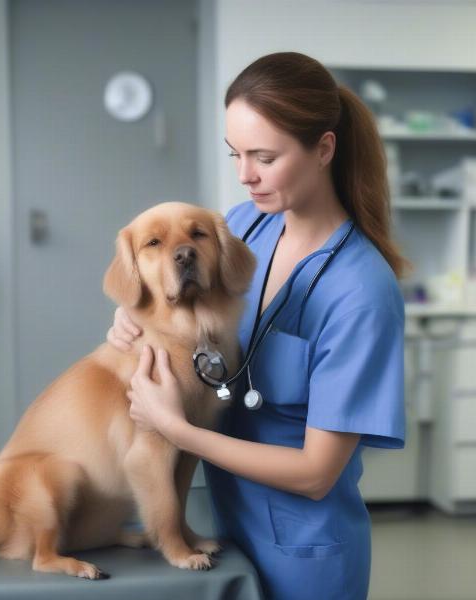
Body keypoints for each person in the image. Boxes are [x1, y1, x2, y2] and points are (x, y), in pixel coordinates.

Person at [107, 51, 411, 600]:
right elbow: (176, 302)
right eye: (236, 154)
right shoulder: (245, 223)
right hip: (226, 525)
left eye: (265, 157)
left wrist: (177, 430)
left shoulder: (361, 292)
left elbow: (318, 473)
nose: (246, 175)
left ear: (323, 148)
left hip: (305, 553)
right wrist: (132, 318)